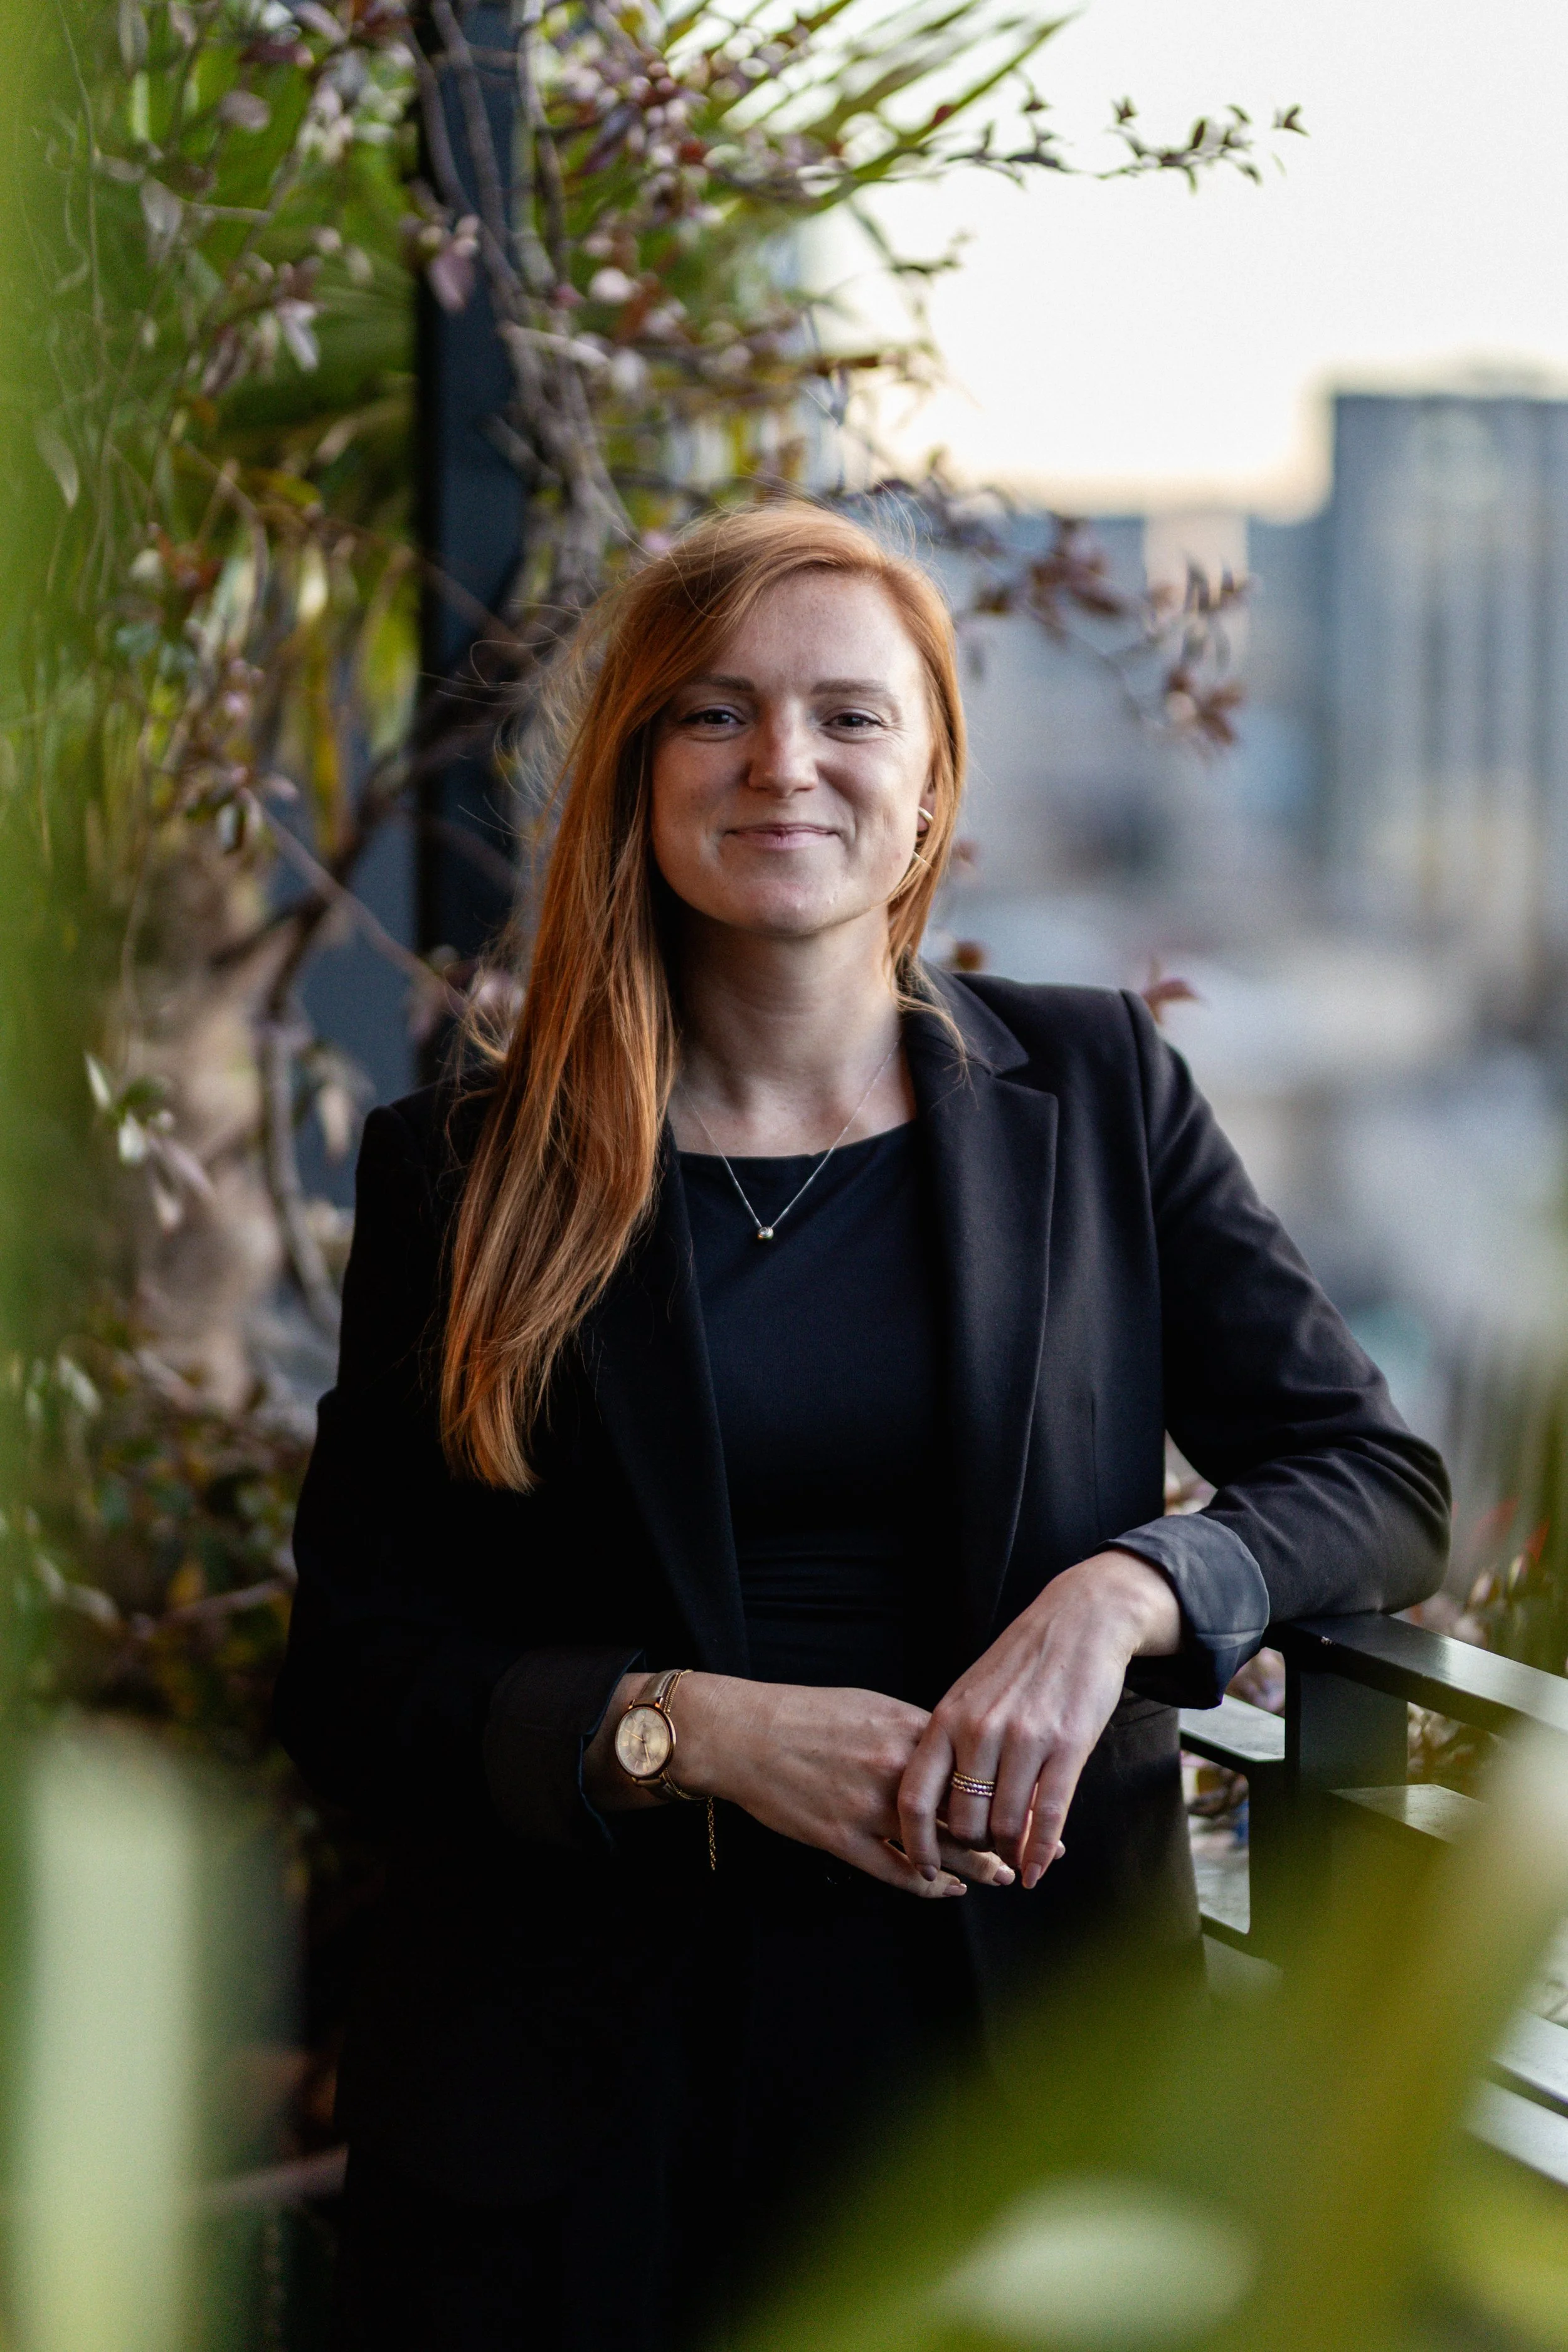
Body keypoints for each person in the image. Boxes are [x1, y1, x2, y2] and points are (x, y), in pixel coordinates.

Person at [273, 504, 1449, 2351]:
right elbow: (352, 1672)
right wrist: (686, 1730)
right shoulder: (465, 1170)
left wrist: (1125, 1592)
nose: (780, 764)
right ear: (638, 774)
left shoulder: (1097, 1084)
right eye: (712, 714)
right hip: (574, 2106)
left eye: (848, 715)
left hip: (1017, 2081)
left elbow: (1371, 1477)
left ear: (927, 789)